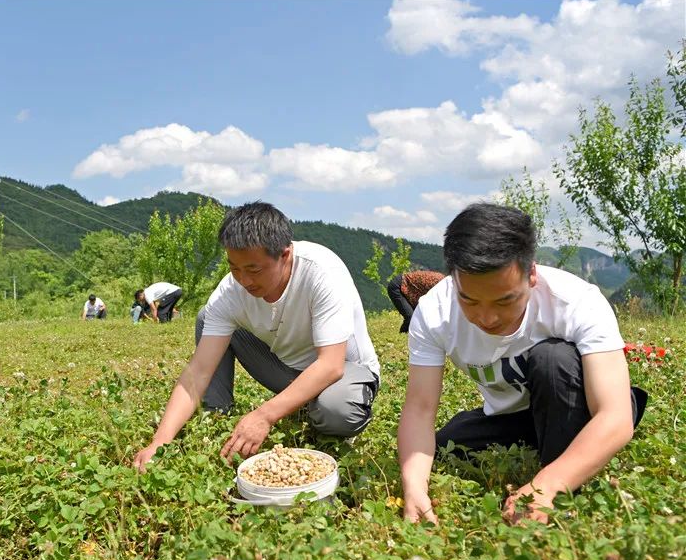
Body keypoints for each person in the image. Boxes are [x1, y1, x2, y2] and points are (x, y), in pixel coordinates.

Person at [397, 203, 648, 526]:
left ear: (531, 274)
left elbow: (615, 416)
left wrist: (547, 485)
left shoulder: (576, 302)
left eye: (505, 300)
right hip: (516, 416)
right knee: (447, 446)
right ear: (453, 278)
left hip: (579, 403)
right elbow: (419, 409)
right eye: (469, 300)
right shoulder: (434, 313)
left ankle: (562, 482)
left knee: (552, 359)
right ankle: (552, 446)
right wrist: (414, 487)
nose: (486, 317)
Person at [133, 202, 380, 471]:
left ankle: (316, 409)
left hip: (344, 371)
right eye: (234, 268)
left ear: (285, 255)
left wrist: (264, 415)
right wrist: (160, 441)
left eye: (254, 270)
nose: (243, 280)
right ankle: (217, 417)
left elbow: (331, 365)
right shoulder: (229, 292)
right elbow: (198, 371)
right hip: (286, 370)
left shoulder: (321, 272)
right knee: (208, 318)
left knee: (337, 412)